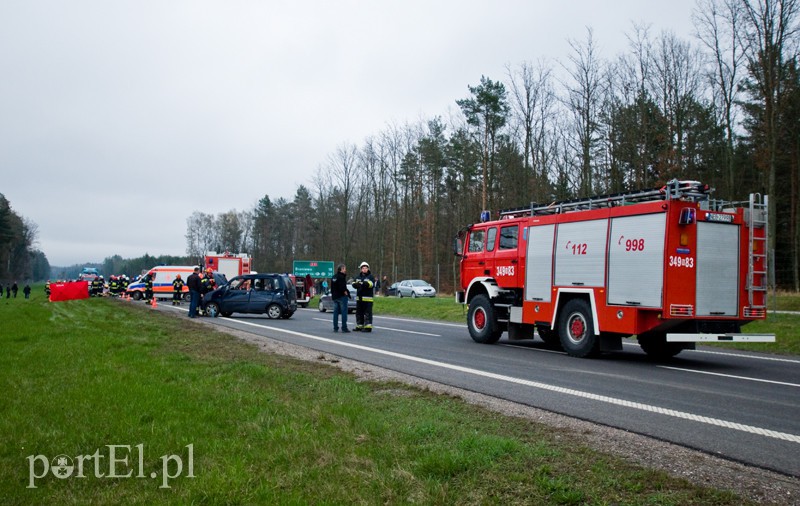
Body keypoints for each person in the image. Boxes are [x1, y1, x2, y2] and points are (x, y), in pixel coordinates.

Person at [352, 262, 375, 332]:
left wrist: (364, 283)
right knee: (359, 313)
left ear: (368, 269)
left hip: (368, 299)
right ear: (361, 269)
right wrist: (356, 284)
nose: (364, 269)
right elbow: (353, 283)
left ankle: (368, 327)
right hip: (359, 299)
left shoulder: (370, 277)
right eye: (363, 268)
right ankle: (359, 325)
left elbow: (371, 284)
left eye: (366, 268)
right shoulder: (358, 277)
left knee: (367, 313)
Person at [330, 263, 350, 333]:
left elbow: (332, 287)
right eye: (344, 268)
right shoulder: (341, 277)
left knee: (335, 313)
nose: (345, 270)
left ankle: (335, 327)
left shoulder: (333, 277)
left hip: (335, 297)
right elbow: (342, 287)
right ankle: (344, 327)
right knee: (344, 312)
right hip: (341, 297)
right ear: (342, 269)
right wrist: (345, 293)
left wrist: (333, 295)